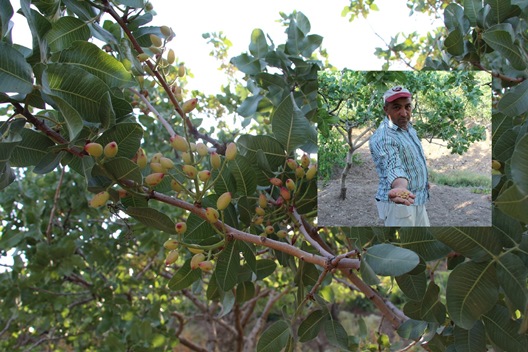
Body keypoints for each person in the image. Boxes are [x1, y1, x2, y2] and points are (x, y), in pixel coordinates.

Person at [369, 86, 430, 226]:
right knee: (404, 245)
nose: (404, 113)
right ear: (386, 110)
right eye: (397, 107)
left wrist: (422, 180)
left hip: (416, 199)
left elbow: (410, 160)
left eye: (407, 107)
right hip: (399, 205)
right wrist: (400, 186)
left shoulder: (407, 128)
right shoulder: (384, 137)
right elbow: (393, 165)